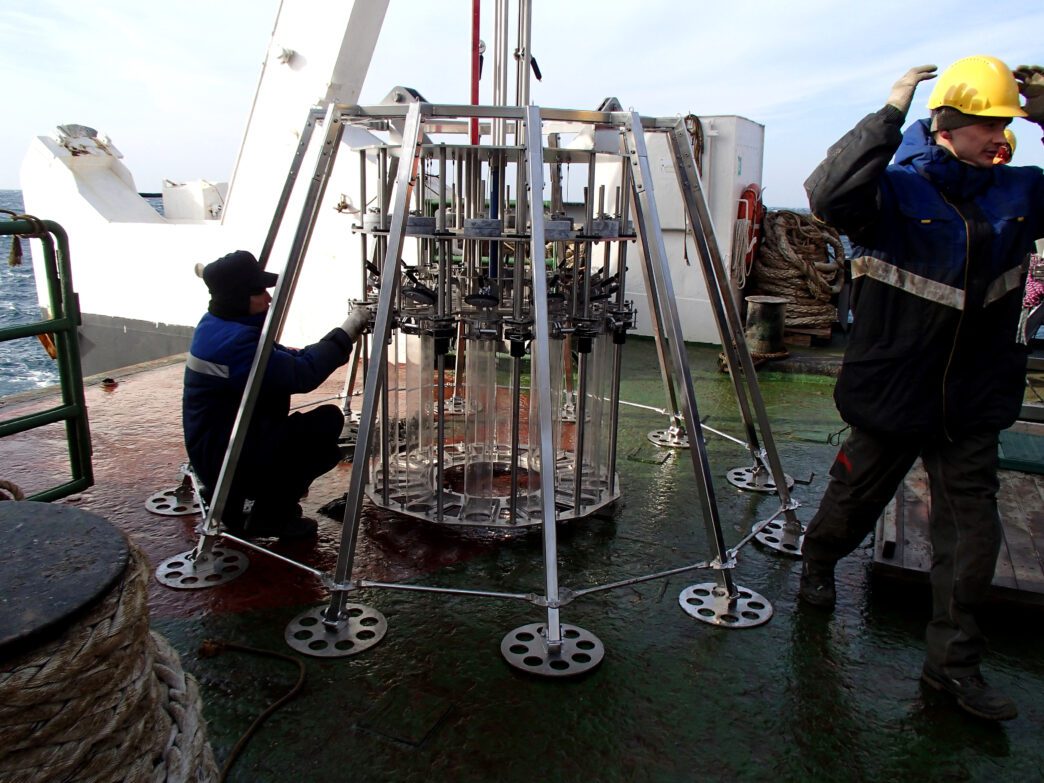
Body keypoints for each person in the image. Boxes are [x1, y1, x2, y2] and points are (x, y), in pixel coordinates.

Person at [798, 56, 1044, 721]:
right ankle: (818, 560)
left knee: (971, 540)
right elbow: (828, 194)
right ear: (947, 125)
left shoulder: (1020, 193)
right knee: (853, 501)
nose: (1000, 136)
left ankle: (952, 670)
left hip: (973, 401)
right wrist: (890, 111)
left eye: (1008, 124)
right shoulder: (895, 193)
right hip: (895, 392)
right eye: (988, 124)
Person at [182, 250, 371, 540]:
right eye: (260, 291)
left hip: (217, 450)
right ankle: (270, 518)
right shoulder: (236, 344)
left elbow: (288, 358)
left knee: (303, 432)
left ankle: (229, 502)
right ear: (238, 297)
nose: (269, 298)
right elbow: (304, 374)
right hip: (226, 457)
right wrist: (350, 328)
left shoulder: (217, 326)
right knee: (325, 428)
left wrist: (325, 347)